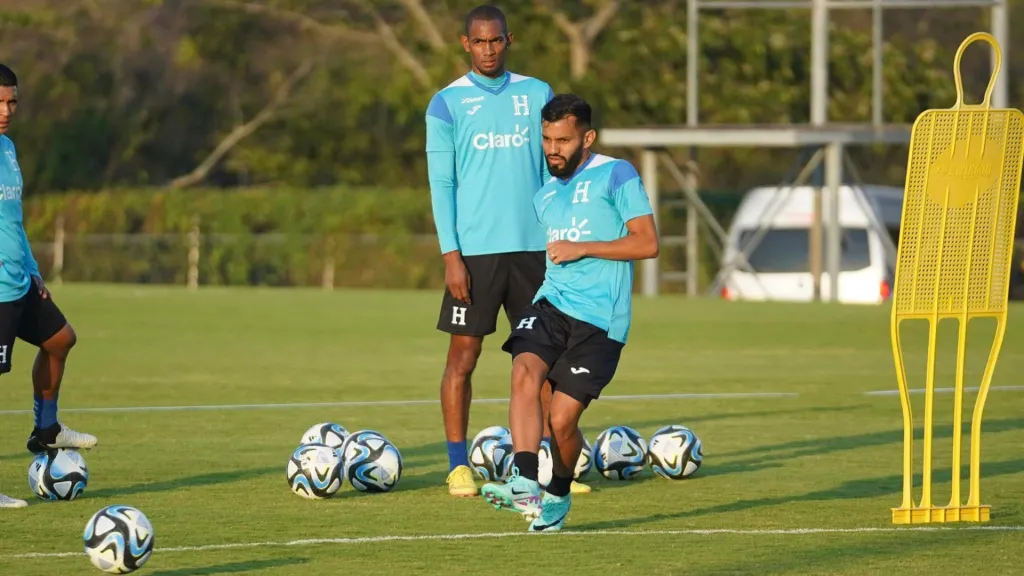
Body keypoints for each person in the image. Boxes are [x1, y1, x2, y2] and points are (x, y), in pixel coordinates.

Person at [425, 5, 594, 498]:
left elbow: (552, 171)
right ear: (465, 44)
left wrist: (559, 236)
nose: (488, 50)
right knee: (464, 355)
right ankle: (459, 466)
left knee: (541, 359)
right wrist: (451, 255)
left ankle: (549, 465)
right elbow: (442, 184)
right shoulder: (446, 104)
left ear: (508, 39)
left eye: (496, 41)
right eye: (479, 42)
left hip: (533, 251)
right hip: (475, 254)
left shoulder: (536, 93)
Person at [479, 94, 659, 531]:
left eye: (563, 139)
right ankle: (523, 479)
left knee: (562, 421)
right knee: (524, 369)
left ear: (587, 137)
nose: (553, 148)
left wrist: (583, 248)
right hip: (552, 302)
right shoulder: (545, 194)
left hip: (601, 320)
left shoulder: (617, 174)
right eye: (546, 139)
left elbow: (647, 243)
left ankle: (558, 491)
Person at [0, 64, 97, 509]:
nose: (6, 110)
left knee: (61, 339)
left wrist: (34, 269)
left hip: (20, 282)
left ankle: (47, 430)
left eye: (12, 101)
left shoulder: (8, 149)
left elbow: (12, 221)